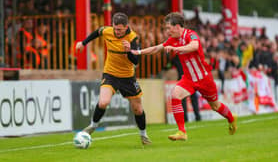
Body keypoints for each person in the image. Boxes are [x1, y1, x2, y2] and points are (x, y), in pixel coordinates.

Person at [129, 12, 237, 141]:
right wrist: (138, 52)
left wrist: (177, 48)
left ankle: (231, 119)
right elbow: (157, 48)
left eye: (169, 28)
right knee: (175, 95)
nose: (167, 31)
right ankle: (182, 131)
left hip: (204, 78)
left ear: (177, 26)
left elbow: (194, 46)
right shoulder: (172, 40)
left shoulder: (190, 34)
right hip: (188, 79)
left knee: (215, 106)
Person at [75, 12, 151, 145]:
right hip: (110, 74)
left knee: (138, 109)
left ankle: (143, 135)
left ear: (126, 27)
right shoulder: (107, 31)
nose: (117, 32)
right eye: (115, 28)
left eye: (120, 30)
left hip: (128, 77)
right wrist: (83, 43)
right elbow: (97, 33)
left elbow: (136, 61)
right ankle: (92, 126)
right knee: (103, 102)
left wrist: (128, 51)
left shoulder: (133, 38)